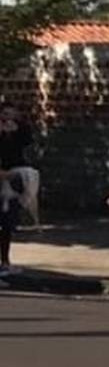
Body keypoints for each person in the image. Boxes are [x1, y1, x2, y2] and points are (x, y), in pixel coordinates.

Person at [0, 104, 33, 274]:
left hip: (11, 181)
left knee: (7, 223)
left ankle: (5, 261)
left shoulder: (17, 133)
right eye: (5, 115)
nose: (8, 119)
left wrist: (17, 128)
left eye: (12, 115)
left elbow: (27, 141)